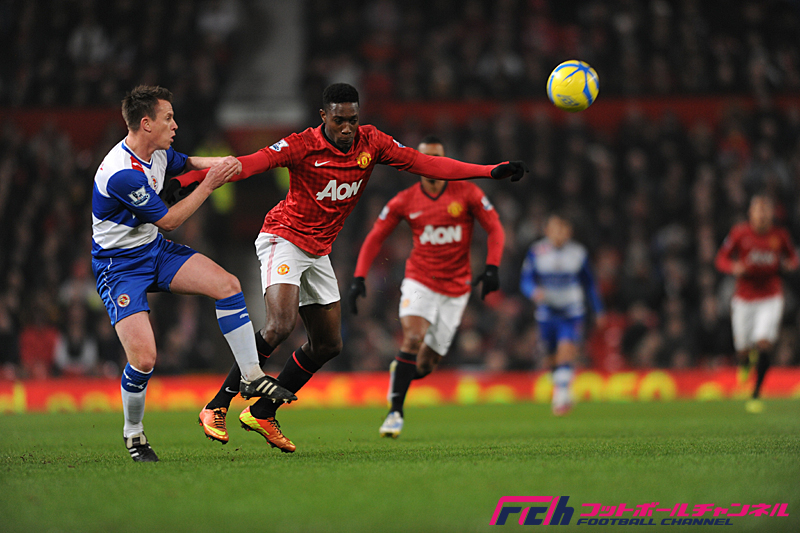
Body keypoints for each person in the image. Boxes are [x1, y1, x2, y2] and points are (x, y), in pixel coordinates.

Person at [181, 83, 528, 452]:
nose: (347, 128)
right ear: (323, 117)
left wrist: (488, 171)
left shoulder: (372, 143)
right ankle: (216, 405)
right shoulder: (302, 144)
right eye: (339, 121)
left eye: (352, 120)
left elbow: (425, 163)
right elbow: (249, 164)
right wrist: (187, 180)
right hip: (284, 237)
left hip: (319, 250)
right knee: (280, 325)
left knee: (328, 344)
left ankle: (263, 412)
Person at [91, 85, 295, 463]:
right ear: (146, 124)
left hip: (153, 251)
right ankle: (134, 434)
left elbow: (185, 162)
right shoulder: (122, 174)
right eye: (168, 118)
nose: (175, 125)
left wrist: (223, 162)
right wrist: (210, 183)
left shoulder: (155, 152)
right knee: (144, 360)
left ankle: (251, 375)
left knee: (228, 285)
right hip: (119, 267)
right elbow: (170, 220)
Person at [347, 135, 505, 438]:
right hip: (419, 281)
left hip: (456, 289)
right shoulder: (404, 200)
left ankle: (401, 371)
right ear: (417, 164)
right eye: (426, 159)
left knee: (427, 364)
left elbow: (495, 227)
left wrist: (492, 266)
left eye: (438, 158)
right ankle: (395, 412)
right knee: (413, 338)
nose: (433, 165)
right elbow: (375, 236)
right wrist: (358, 277)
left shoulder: (467, 192)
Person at [714, 193, 798, 413]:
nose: (762, 215)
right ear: (750, 213)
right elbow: (721, 258)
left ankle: (756, 391)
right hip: (744, 298)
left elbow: (792, 257)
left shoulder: (779, 236)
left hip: (770, 297)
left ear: (771, 214)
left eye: (765, 210)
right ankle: (744, 362)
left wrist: (789, 264)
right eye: (758, 210)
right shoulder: (739, 233)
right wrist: (733, 267)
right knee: (742, 348)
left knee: (764, 343)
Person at [520, 213, 604, 416]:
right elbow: (525, 280)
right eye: (555, 229)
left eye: (563, 229)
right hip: (547, 312)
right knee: (550, 357)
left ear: (569, 232)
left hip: (572, 310)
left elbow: (589, 284)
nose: (559, 233)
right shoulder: (537, 252)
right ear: (547, 231)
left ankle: (561, 395)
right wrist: (533, 291)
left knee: (566, 349)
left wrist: (599, 309)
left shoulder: (578, 253)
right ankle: (563, 387)